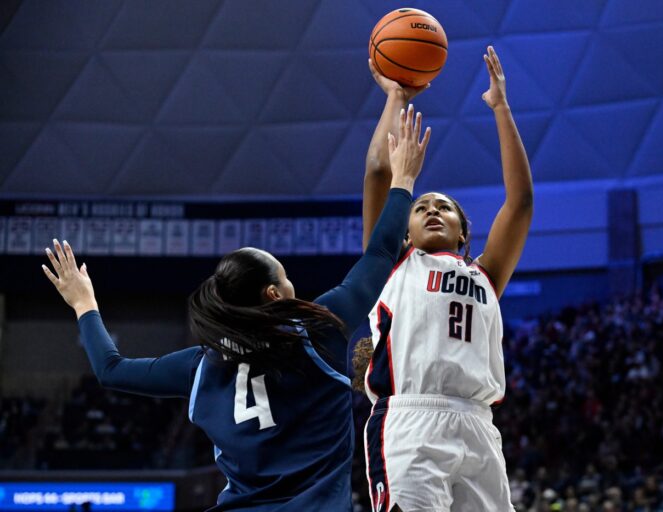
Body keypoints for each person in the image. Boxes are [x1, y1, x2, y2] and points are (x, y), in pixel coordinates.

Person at [41, 108, 432, 512]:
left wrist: (83, 302)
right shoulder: (317, 331)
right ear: (274, 294)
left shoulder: (199, 368)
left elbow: (110, 369)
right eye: (286, 278)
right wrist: (404, 178)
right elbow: (380, 252)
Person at [359, 45, 533, 511]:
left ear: (462, 231)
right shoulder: (392, 264)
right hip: (411, 420)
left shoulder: (485, 275)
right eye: (421, 207)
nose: (432, 210)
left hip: (478, 425)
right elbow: (378, 171)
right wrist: (396, 98)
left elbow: (520, 203)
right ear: (405, 229)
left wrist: (500, 107)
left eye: (444, 207)